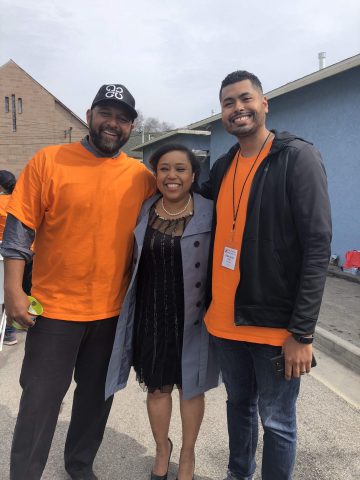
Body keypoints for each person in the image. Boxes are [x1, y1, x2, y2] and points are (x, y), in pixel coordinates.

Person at [1, 84, 156, 480]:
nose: (112, 123)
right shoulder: (49, 161)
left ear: (131, 127)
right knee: (40, 401)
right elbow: (18, 234)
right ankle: (24, 473)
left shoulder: (141, 177)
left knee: (95, 400)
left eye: (122, 118)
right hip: (54, 310)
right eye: (106, 113)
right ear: (88, 115)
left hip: (112, 313)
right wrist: (14, 293)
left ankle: (80, 464)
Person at [201, 71, 332, 480]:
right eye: (228, 103)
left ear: (264, 103)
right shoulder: (222, 167)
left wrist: (303, 333)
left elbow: (317, 248)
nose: (237, 109)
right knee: (237, 408)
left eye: (245, 99)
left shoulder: (296, 157)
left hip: (276, 330)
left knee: (276, 422)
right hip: (225, 325)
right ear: (221, 113)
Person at [105, 143, 220, 480]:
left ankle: (187, 455)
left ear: (193, 175)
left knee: (191, 389)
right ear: (156, 175)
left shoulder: (211, 211)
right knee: (157, 389)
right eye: (164, 169)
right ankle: (161, 448)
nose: (172, 176)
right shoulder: (144, 210)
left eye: (180, 169)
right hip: (152, 316)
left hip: (194, 318)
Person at [0, 170, 18, 345]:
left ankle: (8, 332)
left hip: (5, 252)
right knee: (23, 289)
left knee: (6, 291)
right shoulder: (21, 199)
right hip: (29, 250)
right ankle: (24, 321)